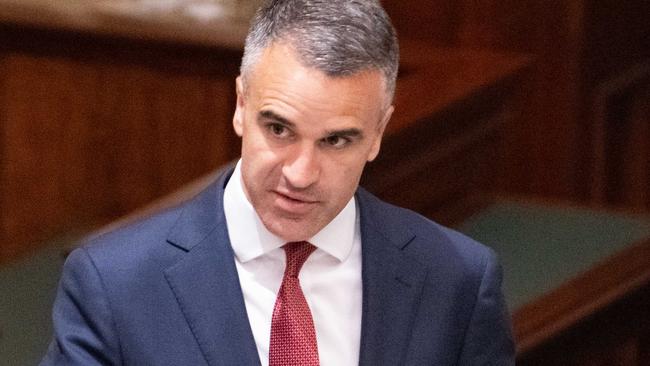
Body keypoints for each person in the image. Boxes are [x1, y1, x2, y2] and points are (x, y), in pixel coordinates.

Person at [40, 0, 515, 365]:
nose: (300, 174)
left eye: (336, 141)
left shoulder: (458, 282)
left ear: (378, 134)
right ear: (241, 105)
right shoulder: (113, 285)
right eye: (279, 129)